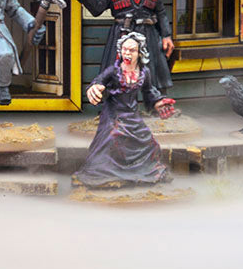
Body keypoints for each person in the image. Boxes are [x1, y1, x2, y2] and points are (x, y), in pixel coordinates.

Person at [72, 0, 174, 99]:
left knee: (153, 75)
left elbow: (161, 13)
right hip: (121, 36)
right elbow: (97, 9)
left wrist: (166, 36)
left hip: (148, 37)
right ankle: (116, 106)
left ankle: (155, 104)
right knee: (116, 75)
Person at [72, 32, 175, 189]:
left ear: (139, 53)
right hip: (113, 114)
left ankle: (142, 171)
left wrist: (158, 103)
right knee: (113, 137)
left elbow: (149, 92)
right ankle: (105, 175)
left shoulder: (144, 72)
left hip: (132, 115)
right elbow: (98, 81)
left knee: (148, 141)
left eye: (132, 50)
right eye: (124, 49)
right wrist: (94, 88)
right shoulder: (114, 71)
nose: (127, 53)